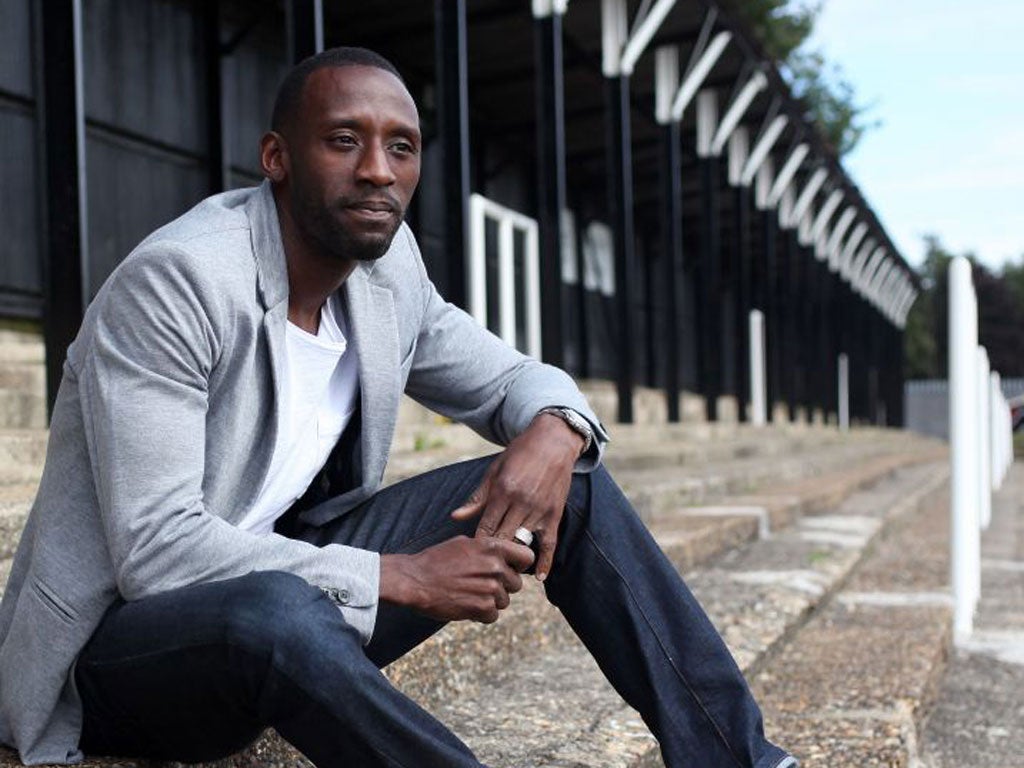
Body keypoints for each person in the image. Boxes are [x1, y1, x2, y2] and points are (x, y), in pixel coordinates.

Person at [0, 47, 795, 768]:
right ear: (276, 158)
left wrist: (559, 427)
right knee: (278, 611)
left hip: (289, 599)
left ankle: (742, 761)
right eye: (344, 141)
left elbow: (505, 379)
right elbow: (158, 553)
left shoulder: (385, 271)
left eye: (401, 146)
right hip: (120, 655)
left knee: (572, 480)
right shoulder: (179, 284)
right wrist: (396, 576)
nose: (379, 171)